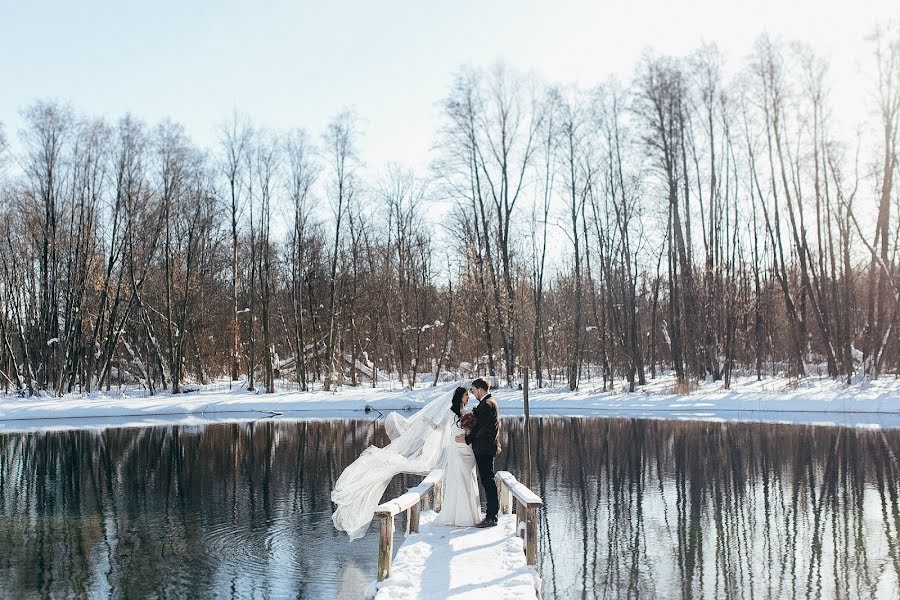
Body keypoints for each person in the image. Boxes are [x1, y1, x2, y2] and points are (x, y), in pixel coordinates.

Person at [331, 386, 481, 540]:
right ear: (458, 397)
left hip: (467, 448)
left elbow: (471, 428)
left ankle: (470, 515)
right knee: (457, 479)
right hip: (455, 449)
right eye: (465, 395)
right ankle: (459, 516)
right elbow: (442, 427)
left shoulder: (469, 412)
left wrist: (469, 430)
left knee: (467, 479)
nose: (467, 397)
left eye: (468, 395)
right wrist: (431, 423)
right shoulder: (450, 412)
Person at [458, 377, 501, 528]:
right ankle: (491, 514)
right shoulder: (486, 403)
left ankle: (492, 516)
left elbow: (482, 428)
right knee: (487, 480)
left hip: (485, 448)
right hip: (485, 448)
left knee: (488, 481)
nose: (473, 393)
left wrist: (467, 438)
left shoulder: (487, 404)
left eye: (473, 390)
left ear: (480, 390)